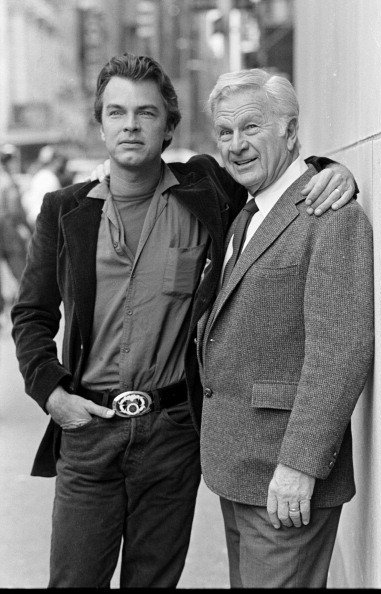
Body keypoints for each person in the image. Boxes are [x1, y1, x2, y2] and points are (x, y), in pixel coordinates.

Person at [11, 52, 357, 589]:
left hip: (171, 434)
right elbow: (31, 314)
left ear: (170, 126)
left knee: (154, 581)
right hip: (87, 429)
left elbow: (275, 182)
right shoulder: (64, 209)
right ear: (99, 124)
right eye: (117, 112)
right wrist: (50, 393)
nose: (131, 125)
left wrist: (334, 173)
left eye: (147, 113)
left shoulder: (207, 192)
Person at [197, 68, 374, 588]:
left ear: (290, 132)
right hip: (241, 473)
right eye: (225, 132)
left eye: (251, 128)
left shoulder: (331, 215)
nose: (236, 145)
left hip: (286, 482)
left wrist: (300, 466)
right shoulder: (245, 215)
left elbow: (340, 350)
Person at [0, 144, 32, 311]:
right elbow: (13, 210)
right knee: (20, 270)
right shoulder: (8, 181)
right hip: (8, 229)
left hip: (6, 228)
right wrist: (23, 228)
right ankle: (26, 308)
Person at [22, 146, 66, 227]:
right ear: (55, 161)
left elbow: (26, 200)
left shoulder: (38, 176)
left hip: (33, 218)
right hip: (44, 220)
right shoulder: (51, 178)